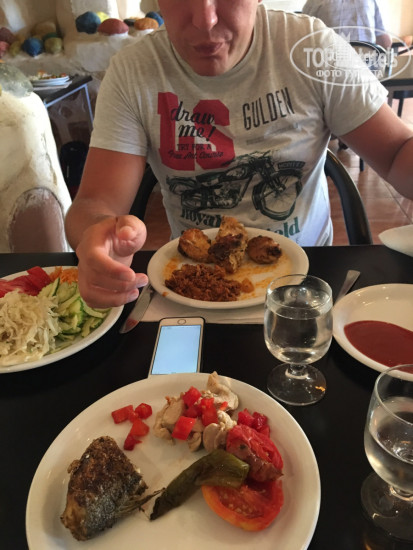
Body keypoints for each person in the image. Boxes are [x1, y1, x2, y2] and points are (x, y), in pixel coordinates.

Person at [65, 0, 413, 308]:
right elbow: (94, 203)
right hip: (196, 284)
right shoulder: (132, 71)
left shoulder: (312, 48)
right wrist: (96, 237)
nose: (205, 19)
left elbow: (397, 151)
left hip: (310, 281)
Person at [302, 0, 392, 49]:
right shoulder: (370, 2)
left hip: (328, 66)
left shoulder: (315, 2)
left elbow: (302, 38)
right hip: (368, 66)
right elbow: (384, 41)